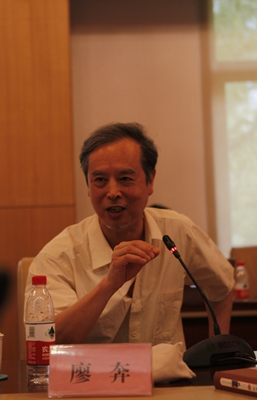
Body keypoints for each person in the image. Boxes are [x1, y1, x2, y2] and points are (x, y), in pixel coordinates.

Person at [26, 122, 234, 349]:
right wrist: (109, 285)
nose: (113, 192)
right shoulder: (58, 256)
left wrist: (218, 351)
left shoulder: (177, 231)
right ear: (88, 186)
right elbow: (47, 340)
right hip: (91, 373)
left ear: (150, 181)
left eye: (125, 179)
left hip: (166, 372)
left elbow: (223, 286)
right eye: (100, 180)